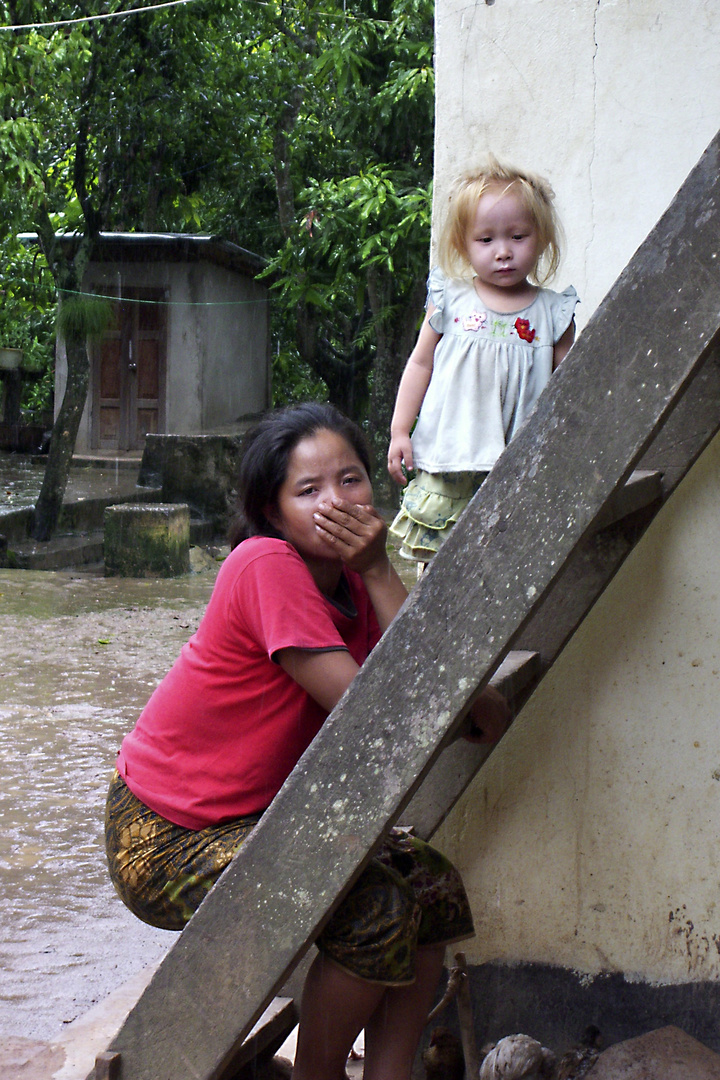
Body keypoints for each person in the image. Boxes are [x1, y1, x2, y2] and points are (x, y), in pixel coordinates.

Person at [104, 402, 509, 1080]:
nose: (335, 502)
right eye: (308, 490)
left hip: (261, 815)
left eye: (350, 480)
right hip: (166, 836)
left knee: (431, 886)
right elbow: (376, 719)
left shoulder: (356, 580)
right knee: (373, 907)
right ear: (272, 510)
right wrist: (388, 585)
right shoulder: (264, 564)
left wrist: (381, 574)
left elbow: (474, 712)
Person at [388, 158, 579, 565]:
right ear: (463, 244)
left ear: (541, 238)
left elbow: (568, 392)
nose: (504, 252)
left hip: (518, 465)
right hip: (451, 458)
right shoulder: (451, 300)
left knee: (509, 560)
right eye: (486, 240)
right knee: (442, 562)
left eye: (517, 236)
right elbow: (421, 364)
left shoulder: (552, 314)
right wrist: (400, 429)